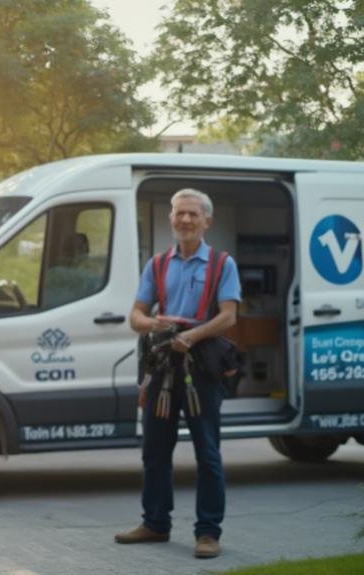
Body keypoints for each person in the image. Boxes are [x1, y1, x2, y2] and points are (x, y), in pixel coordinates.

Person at [114, 188, 240, 559]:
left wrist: (192, 334)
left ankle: (208, 533)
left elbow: (229, 315)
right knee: (154, 450)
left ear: (207, 221)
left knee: (208, 453)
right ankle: (155, 524)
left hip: (202, 369)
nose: (185, 220)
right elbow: (134, 315)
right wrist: (154, 323)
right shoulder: (156, 265)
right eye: (179, 213)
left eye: (192, 214)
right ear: (171, 219)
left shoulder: (222, 264)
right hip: (164, 368)